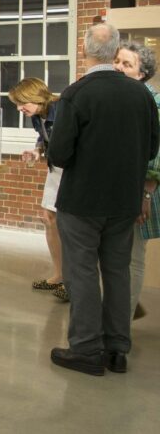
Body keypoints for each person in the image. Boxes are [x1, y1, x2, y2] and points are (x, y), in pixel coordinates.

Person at [47, 23, 159, 376]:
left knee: (80, 273)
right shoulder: (141, 94)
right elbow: (152, 148)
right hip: (124, 201)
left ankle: (85, 348)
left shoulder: (76, 94)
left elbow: (61, 153)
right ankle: (117, 348)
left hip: (82, 201)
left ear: (85, 49)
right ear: (114, 52)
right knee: (117, 271)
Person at [113, 41, 159, 321]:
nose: (118, 67)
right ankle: (125, 309)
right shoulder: (122, 100)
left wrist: (144, 195)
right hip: (119, 191)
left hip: (141, 193)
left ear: (142, 73)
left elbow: (155, 158)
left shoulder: (152, 102)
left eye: (126, 64)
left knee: (132, 258)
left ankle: (121, 325)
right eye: (117, 61)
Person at [7, 77, 64, 298]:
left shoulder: (61, 109)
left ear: (36, 97)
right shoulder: (37, 116)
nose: (20, 108)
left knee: (69, 225)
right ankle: (58, 274)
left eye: (23, 103)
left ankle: (73, 281)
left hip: (71, 171)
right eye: (17, 104)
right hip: (55, 170)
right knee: (48, 219)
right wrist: (36, 152)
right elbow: (43, 139)